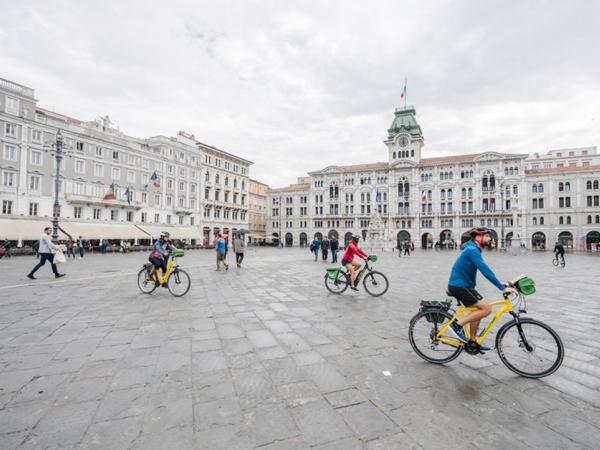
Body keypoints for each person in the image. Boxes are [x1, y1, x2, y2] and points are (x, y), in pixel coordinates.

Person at [446, 227, 516, 352]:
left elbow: (485, 270)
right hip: (459, 286)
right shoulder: (473, 250)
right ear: (478, 237)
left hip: (463, 286)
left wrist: (503, 284)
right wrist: (501, 288)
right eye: (488, 236)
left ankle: (473, 341)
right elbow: (485, 270)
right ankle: (456, 325)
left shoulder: (473, 248)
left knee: (479, 309)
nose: (490, 239)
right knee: (487, 309)